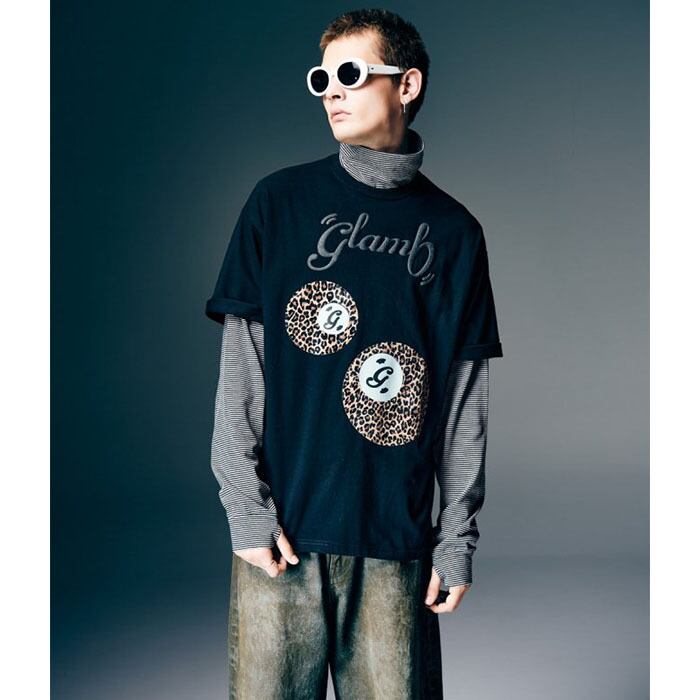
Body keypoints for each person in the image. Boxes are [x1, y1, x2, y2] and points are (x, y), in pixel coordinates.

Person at [205, 9, 503, 699]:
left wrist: (455, 539)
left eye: (350, 73)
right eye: (322, 79)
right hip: (281, 538)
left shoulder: (456, 233)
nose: (331, 91)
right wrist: (246, 511)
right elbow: (241, 375)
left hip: (395, 542)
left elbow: (464, 407)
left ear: (407, 85)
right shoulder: (278, 203)